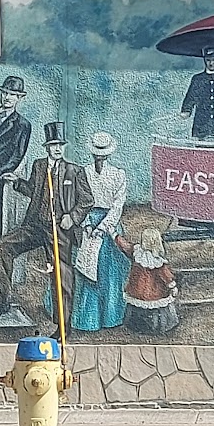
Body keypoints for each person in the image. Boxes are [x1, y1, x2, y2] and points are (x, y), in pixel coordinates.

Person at [0, 122, 93, 326]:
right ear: (47, 147)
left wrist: (72, 217)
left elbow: (87, 200)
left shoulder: (74, 171)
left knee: (61, 272)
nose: (57, 148)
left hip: (59, 230)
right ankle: (1, 302)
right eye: (53, 145)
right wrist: (16, 182)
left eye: (60, 145)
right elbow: (33, 191)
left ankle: (62, 323)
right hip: (35, 226)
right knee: (2, 247)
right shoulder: (39, 165)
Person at [72, 132, 129, 332]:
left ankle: (111, 316)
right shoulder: (84, 172)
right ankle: (87, 319)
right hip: (88, 221)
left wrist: (103, 227)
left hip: (108, 225)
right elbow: (80, 200)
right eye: (96, 153)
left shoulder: (118, 174)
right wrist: (87, 223)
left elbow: (118, 205)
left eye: (103, 153)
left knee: (109, 271)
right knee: (85, 268)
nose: (99, 157)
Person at [0, 75, 32, 246]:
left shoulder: (22, 125)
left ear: (19, 98)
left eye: (12, 94)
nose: (7, 97)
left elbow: (16, 157)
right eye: (5, 93)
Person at [117, 226, 180, 335]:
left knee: (137, 309)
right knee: (157, 309)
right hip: (155, 293)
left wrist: (116, 236)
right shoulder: (158, 262)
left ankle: (136, 326)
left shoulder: (136, 253)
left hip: (137, 291)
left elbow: (125, 246)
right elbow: (167, 277)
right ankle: (155, 327)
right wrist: (173, 287)